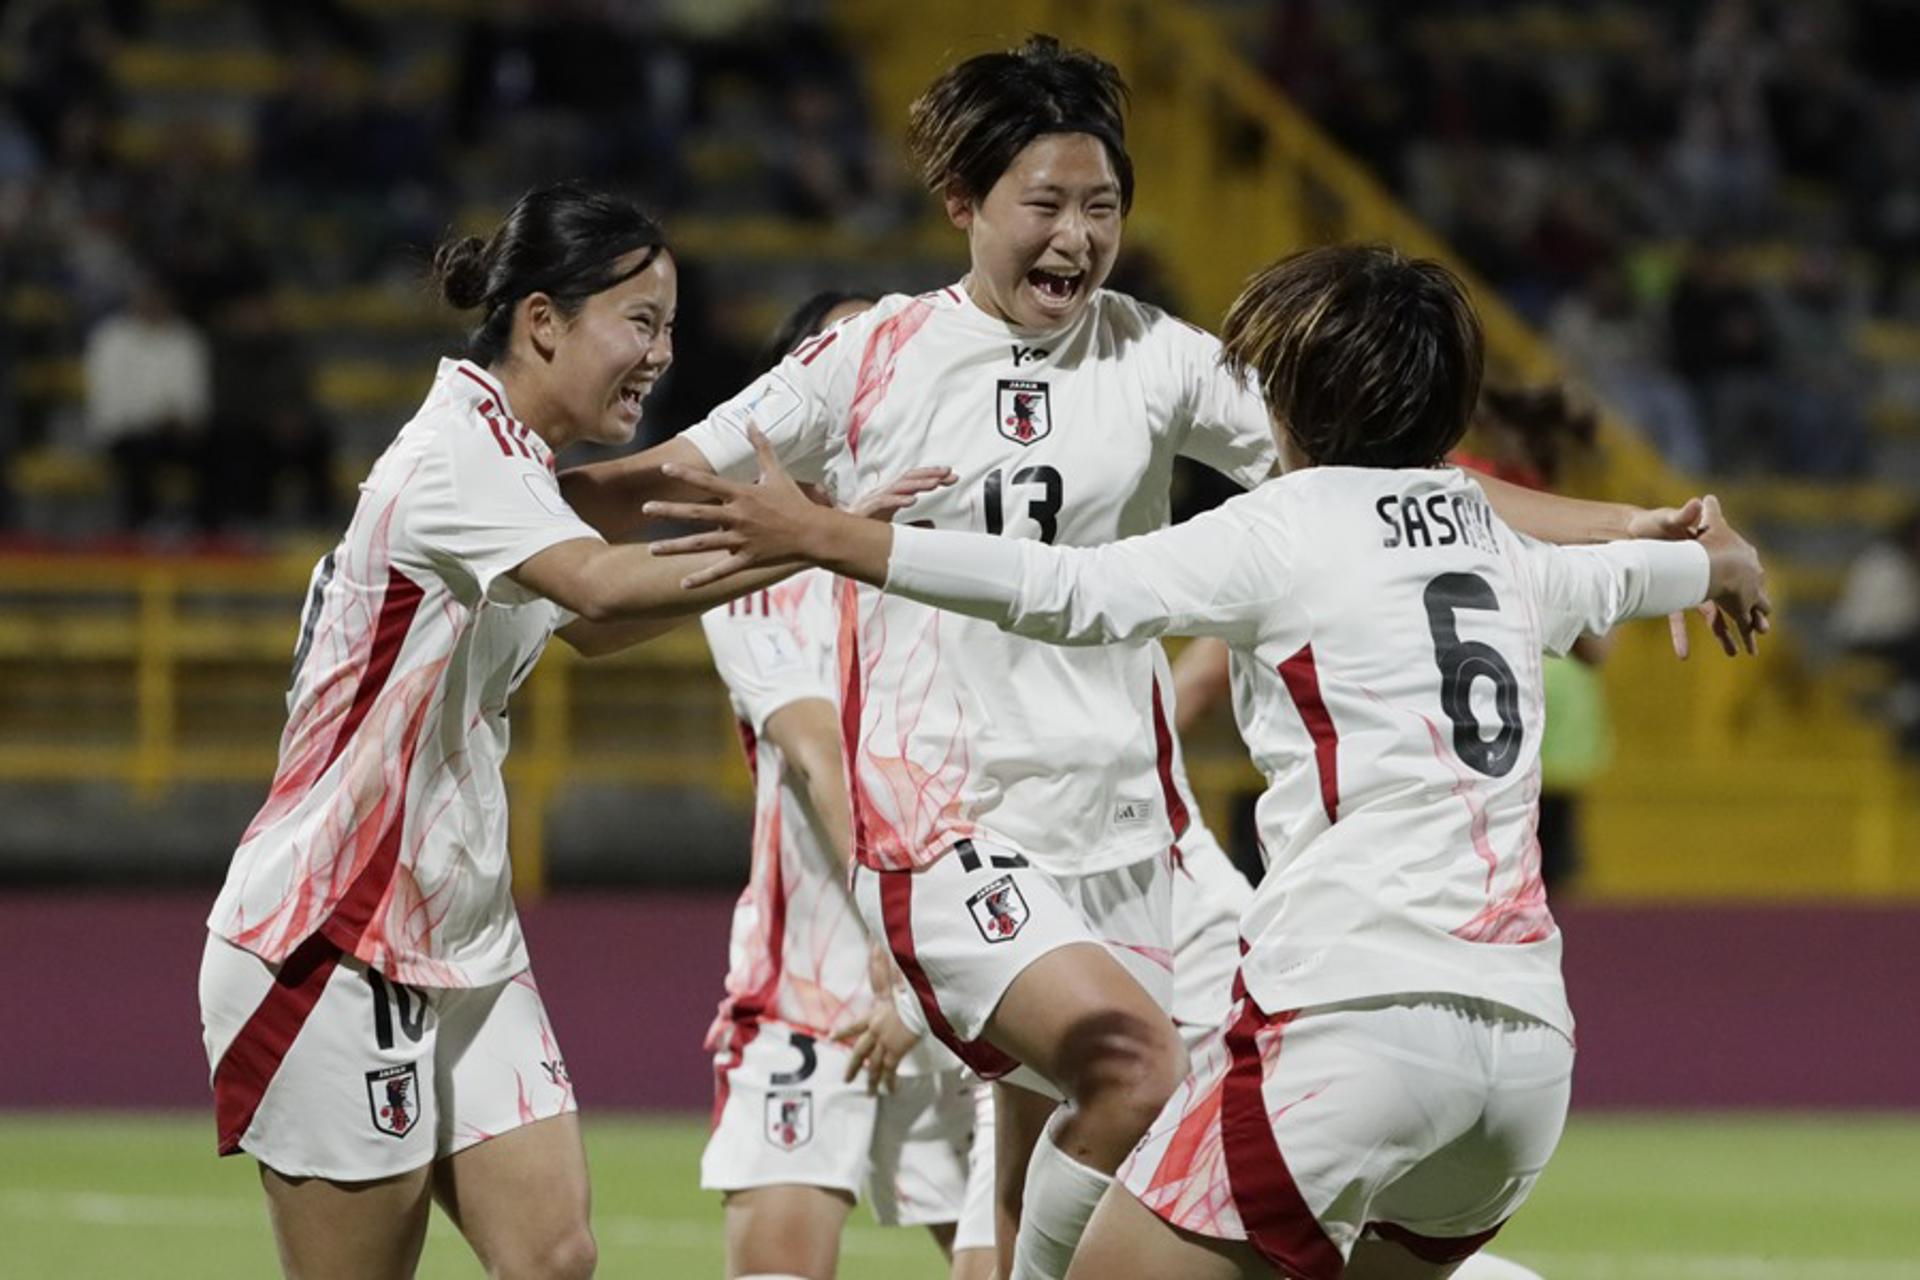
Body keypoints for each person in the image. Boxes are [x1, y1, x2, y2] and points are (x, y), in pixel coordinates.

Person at [562, 37, 1727, 1280]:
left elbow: (1387, 493)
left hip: (1140, 836)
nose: (1076, 236)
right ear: (965, 204)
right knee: (1132, 1064)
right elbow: (666, 490)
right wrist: (514, 513)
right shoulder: (873, 357)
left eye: (1102, 206)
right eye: (1046, 205)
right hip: (954, 822)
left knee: (1247, 1153)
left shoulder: (1158, 359)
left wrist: (1641, 527)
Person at [195, 184, 945, 1280]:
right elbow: (598, 585)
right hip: (334, 936)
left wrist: (809, 515)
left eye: (672, 326)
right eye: (639, 322)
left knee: (553, 1254)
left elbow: (599, 596)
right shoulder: (456, 453)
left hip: (459, 929)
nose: (660, 353)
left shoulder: (515, 467)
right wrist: (822, 538)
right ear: (543, 319)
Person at [698, 291, 996, 1280]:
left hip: (960, 980)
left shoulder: (967, 552)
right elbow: (824, 755)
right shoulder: (745, 565)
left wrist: (928, 971)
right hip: (819, 987)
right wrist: (894, 949)